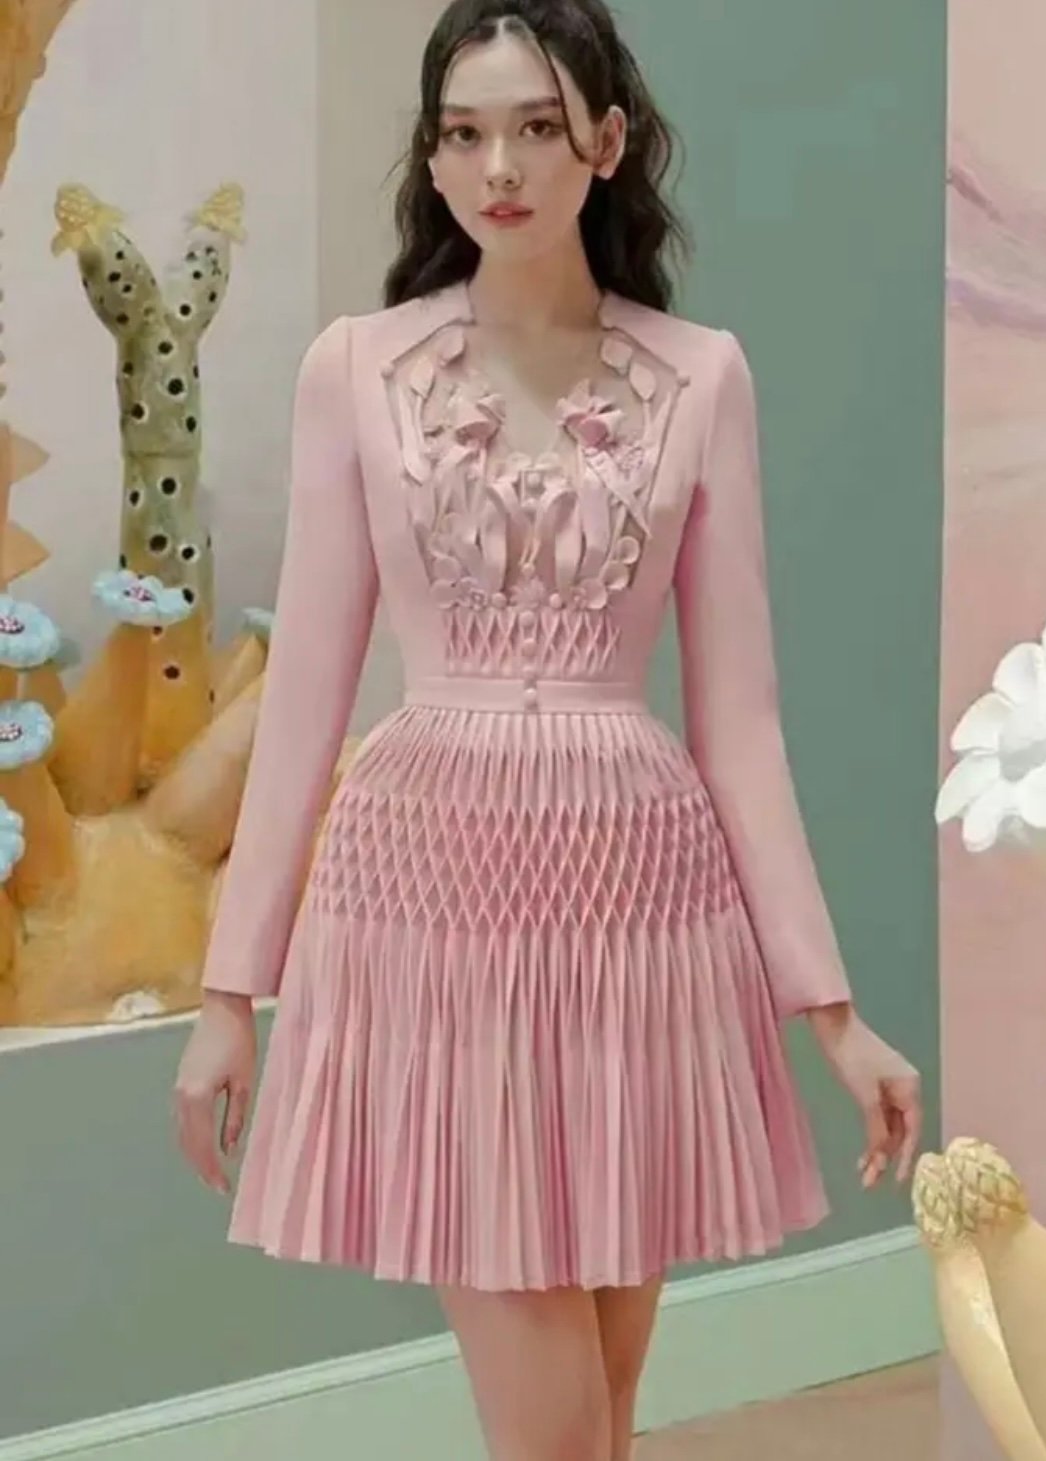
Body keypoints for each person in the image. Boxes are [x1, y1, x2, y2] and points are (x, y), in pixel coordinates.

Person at [174, 2, 923, 1458]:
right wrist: (225, 996)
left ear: (606, 142)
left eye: (533, 128)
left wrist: (830, 1014)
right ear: (431, 159)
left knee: (606, 1416)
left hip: (642, 917)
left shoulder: (700, 374)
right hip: (430, 910)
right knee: (560, 1436)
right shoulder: (356, 368)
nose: (498, 167)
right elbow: (305, 701)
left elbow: (742, 728)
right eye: (462, 134)